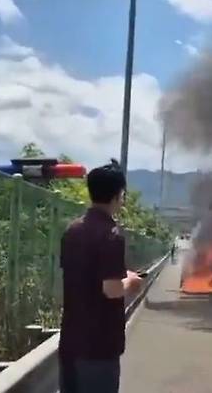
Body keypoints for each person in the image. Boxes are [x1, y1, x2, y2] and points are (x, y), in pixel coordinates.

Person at [59, 160, 143, 393]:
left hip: (70, 342)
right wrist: (130, 281)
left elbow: (84, 274)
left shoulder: (72, 230)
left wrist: (119, 275)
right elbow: (111, 289)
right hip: (99, 347)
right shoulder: (112, 235)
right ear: (118, 195)